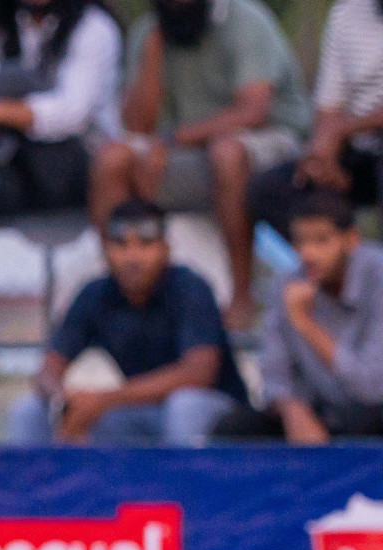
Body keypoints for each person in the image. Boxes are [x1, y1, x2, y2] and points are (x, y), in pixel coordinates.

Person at [91, 0, 311, 331]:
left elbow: (253, 112)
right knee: (112, 159)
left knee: (227, 154)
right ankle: (124, 298)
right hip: (189, 154)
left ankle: (241, 301)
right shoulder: (148, 31)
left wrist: (173, 139)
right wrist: (153, 52)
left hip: (268, 146)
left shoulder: (246, 19)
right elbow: (137, 126)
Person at [0, 0, 122, 343]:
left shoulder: (94, 27)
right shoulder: (2, 27)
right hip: (12, 168)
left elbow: (72, 113)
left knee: (13, 78)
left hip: (76, 170)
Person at [8, 199, 248, 445]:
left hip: (215, 413)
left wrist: (102, 400)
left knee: (183, 406)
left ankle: (187, 485)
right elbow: (47, 370)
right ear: (105, 250)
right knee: (30, 411)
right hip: (137, 410)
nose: (133, 257)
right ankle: (34, 484)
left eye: (145, 244)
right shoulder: (95, 294)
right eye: (121, 244)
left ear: (165, 248)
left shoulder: (189, 288)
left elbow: (199, 374)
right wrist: (65, 401)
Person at [215, 191, 383, 443]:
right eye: (300, 242)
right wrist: (292, 409)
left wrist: (306, 323)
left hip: (370, 411)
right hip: (315, 410)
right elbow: (273, 375)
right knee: (235, 428)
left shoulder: (377, 277)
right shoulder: (289, 281)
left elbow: (371, 388)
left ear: (351, 240)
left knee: (366, 422)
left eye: (321, 241)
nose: (308, 254)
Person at [247, 0, 383, 241]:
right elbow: (329, 104)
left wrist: (341, 131)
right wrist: (322, 152)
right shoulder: (346, 13)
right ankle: (339, 268)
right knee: (272, 189)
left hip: (362, 138)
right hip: (356, 149)